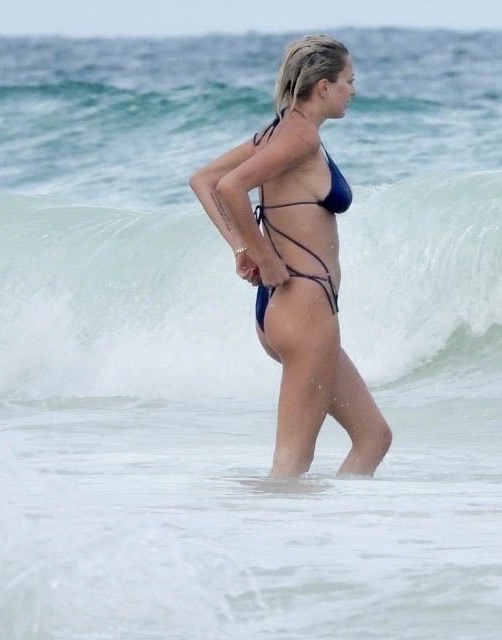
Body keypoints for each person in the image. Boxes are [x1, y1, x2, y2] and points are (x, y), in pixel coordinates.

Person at [189, 35, 392, 477]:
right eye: (349, 80)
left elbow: (203, 180)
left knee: (374, 437)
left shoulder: (278, 132)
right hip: (304, 308)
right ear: (324, 86)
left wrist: (243, 249)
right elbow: (227, 186)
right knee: (292, 462)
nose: (353, 90)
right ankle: (263, 523)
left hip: (284, 309)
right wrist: (259, 255)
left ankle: (343, 521)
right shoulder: (299, 137)